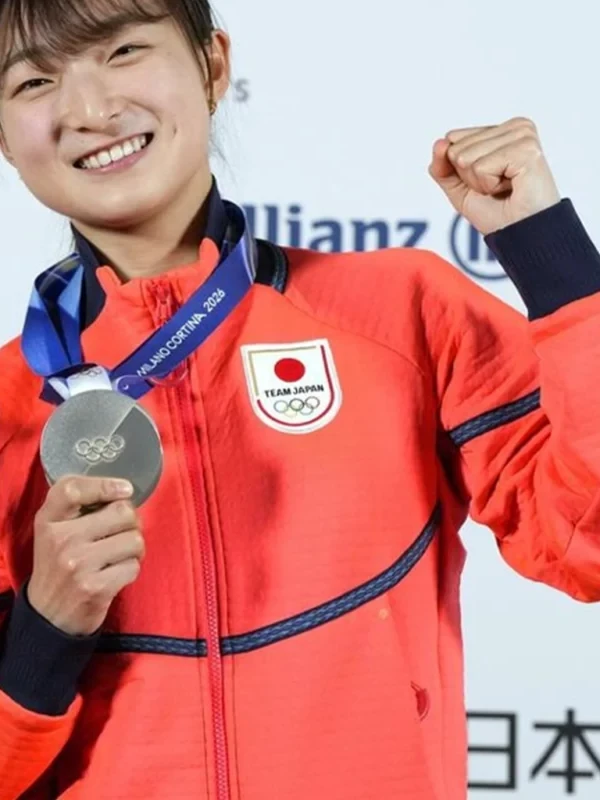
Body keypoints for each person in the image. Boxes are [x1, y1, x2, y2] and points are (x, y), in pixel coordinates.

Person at [0, 1, 599, 798]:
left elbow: (586, 542)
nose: (87, 109)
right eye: (34, 81)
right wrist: (44, 635)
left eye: (123, 52)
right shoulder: (11, 406)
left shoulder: (402, 313)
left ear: (213, 66)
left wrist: (552, 255)